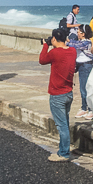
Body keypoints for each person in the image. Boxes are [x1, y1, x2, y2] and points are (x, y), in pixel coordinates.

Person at [39, 26, 78, 162]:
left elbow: (42, 60)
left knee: (62, 126)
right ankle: (62, 150)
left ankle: (64, 154)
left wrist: (45, 45)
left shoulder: (55, 53)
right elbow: (66, 46)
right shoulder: (72, 51)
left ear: (54, 39)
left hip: (57, 94)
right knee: (64, 123)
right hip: (68, 93)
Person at [68, 16, 93, 118]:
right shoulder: (81, 41)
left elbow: (74, 45)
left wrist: (67, 41)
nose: (77, 33)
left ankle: (91, 109)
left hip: (86, 66)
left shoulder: (86, 42)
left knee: (86, 89)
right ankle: (84, 107)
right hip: (81, 66)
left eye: (79, 31)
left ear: (83, 34)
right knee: (82, 89)